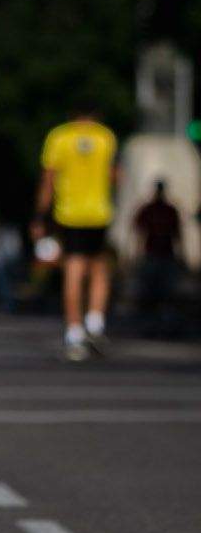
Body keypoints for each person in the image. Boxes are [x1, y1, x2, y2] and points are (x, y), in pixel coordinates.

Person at [36, 108, 118, 360]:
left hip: (69, 213)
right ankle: (95, 323)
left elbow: (49, 179)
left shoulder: (59, 137)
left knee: (73, 269)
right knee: (99, 269)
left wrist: (40, 215)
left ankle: (74, 332)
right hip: (99, 213)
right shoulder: (106, 137)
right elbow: (114, 175)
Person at [132, 181, 184, 331]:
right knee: (150, 290)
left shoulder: (170, 210)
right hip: (151, 254)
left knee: (167, 291)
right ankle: (150, 321)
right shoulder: (148, 209)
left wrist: (181, 255)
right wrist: (136, 254)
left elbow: (178, 234)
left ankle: (165, 320)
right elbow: (139, 232)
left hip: (166, 254)